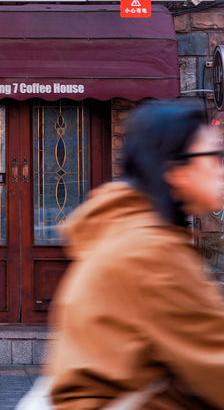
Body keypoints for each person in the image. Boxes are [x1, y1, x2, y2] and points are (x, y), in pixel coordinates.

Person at [47, 99, 224, 410]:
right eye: (216, 156)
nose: (222, 169)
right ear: (175, 171)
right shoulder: (152, 252)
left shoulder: (128, 232)